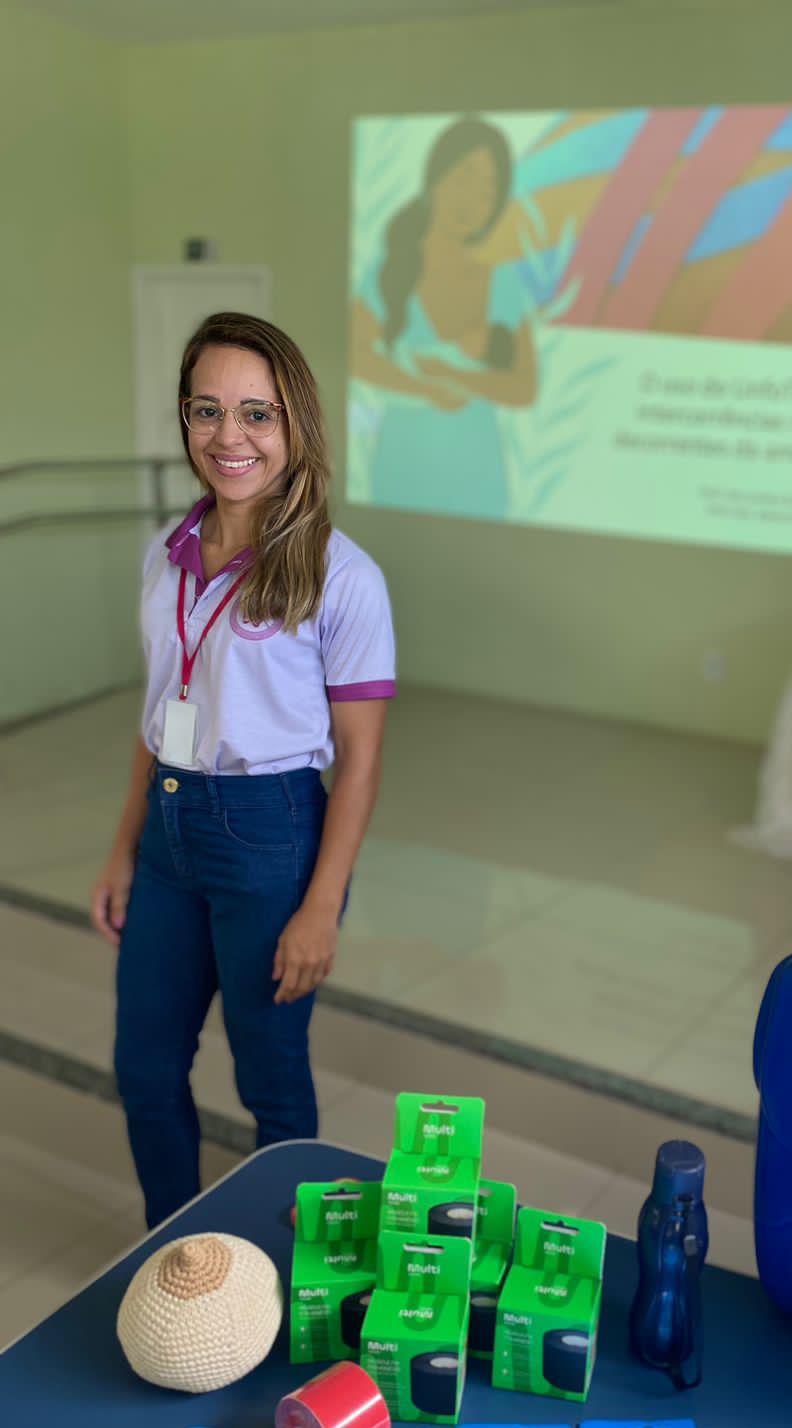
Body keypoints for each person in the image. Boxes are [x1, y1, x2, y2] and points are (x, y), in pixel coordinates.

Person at [91, 311, 395, 1228]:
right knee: (145, 1069)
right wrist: (124, 848)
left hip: (271, 838)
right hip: (168, 837)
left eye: (258, 413)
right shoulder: (166, 554)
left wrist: (321, 906)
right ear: (186, 419)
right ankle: (173, 1246)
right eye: (207, 410)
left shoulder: (342, 576)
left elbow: (361, 759)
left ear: (296, 425)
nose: (231, 436)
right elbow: (158, 715)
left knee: (270, 1078)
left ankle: (286, 1266)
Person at [350, 116, 537, 518]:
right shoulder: (391, 270)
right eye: (464, 176)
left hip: (478, 470)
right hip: (402, 467)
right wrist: (424, 389)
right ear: (435, 176)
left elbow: (525, 385)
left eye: (487, 189)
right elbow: (355, 356)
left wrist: (455, 377)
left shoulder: (502, 279)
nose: (472, 199)